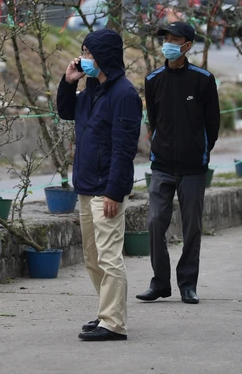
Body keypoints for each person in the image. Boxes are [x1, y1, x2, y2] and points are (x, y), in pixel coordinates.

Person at [57, 29, 143, 341]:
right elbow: (66, 111)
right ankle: (107, 313)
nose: (84, 59)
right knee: (93, 259)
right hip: (86, 186)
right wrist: (69, 82)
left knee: (109, 257)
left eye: (89, 54)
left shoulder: (124, 95)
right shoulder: (92, 91)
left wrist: (114, 191)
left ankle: (113, 323)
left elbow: (124, 148)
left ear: (105, 56)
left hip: (106, 189)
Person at [138, 21, 220, 305]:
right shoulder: (153, 80)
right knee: (155, 222)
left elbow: (213, 124)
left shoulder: (203, 80)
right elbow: (153, 120)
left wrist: (200, 150)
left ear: (187, 45)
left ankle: (188, 284)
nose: (169, 43)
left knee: (192, 227)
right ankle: (160, 283)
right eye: (166, 38)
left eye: (175, 39)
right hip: (161, 166)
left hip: (193, 168)